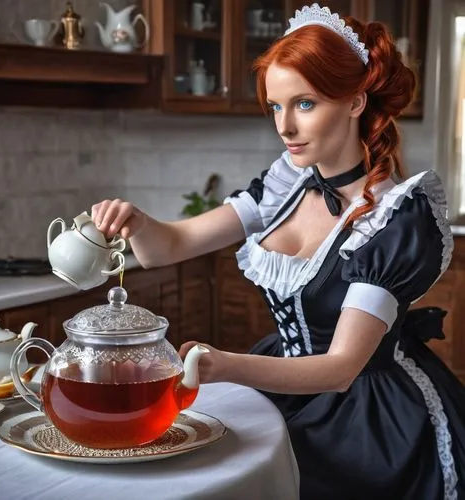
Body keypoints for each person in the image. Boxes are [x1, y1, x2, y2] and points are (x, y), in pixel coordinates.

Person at [91, 4, 465, 499]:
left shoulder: (395, 218)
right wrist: (137, 221)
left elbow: (338, 369)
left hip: (364, 419)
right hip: (280, 389)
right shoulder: (284, 185)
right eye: (274, 106)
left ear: (355, 102)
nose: (284, 126)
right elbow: (171, 246)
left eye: (304, 104)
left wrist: (225, 366)